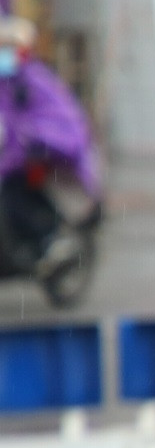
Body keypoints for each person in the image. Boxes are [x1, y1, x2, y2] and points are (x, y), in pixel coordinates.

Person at [0, 16, 97, 274]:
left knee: (14, 196)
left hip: (49, 156)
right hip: (15, 158)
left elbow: (62, 121)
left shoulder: (35, 80)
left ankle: (49, 238)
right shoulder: (7, 82)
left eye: (7, 48)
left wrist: (37, 137)